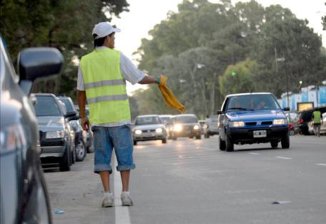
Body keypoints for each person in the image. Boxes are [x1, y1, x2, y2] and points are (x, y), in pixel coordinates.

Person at [77, 21, 160, 207]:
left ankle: (107, 195)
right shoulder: (118, 57)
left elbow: (80, 93)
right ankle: (125, 194)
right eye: (113, 37)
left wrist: (83, 116)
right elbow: (138, 78)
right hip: (119, 118)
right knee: (125, 158)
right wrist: (157, 80)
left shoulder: (85, 61)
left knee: (102, 160)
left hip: (98, 120)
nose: (114, 40)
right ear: (107, 38)